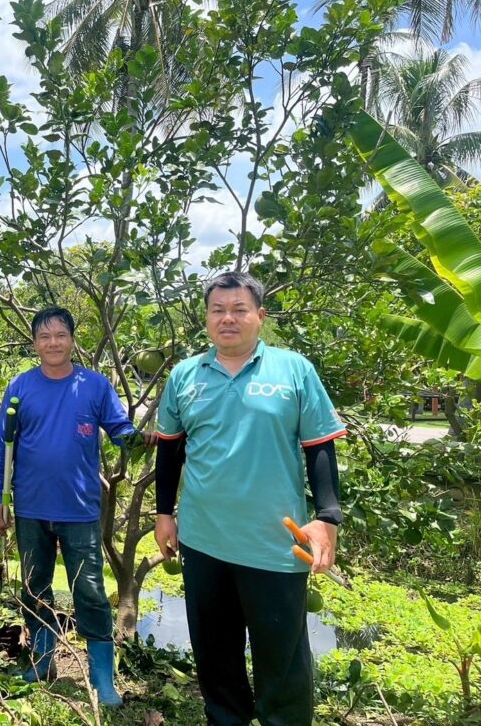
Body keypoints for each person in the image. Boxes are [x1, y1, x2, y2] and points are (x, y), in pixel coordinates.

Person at [154, 271, 346, 726]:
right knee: (216, 664)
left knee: (283, 671)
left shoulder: (293, 370)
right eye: (218, 310)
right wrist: (164, 513)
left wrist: (328, 516)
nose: (228, 318)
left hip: (274, 545)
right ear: (206, 318)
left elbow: (320, 446)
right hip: (203, 542)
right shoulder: (185, 376)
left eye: (239, 310)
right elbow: (169, 449)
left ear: (260, 316)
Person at [0, 307, 152, 707]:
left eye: (60, 335)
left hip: (79, 509)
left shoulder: (94, 385)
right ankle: (42, 661)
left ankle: (102, 678)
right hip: (31, 506)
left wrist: (141, 439)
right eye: (45, 337)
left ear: (72, 340)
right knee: (35, 587)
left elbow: (119, 429)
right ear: (35, 343)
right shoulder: (20, 387)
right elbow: (3, 448)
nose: (53, 343)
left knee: (90, 591)